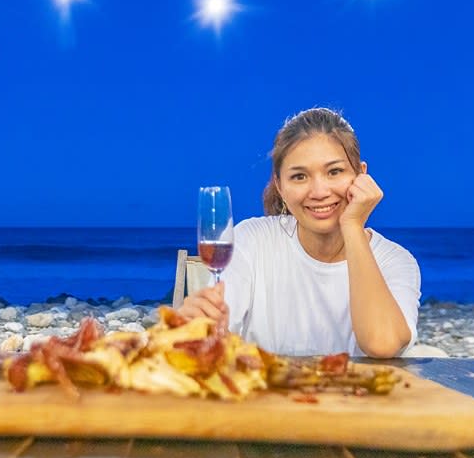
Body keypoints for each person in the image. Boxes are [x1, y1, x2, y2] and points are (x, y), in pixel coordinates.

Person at [179, 107, 420, 358]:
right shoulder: (252, 240)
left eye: (334, 171)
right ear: (280, 186)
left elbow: (382, 344)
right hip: (267, 395)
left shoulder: (396, 261)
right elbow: (212, 338)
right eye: (299, 176)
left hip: (355, 396)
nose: (318, 191)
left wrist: (352, 225)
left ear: (361, 175)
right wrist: (199, 325)